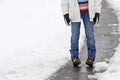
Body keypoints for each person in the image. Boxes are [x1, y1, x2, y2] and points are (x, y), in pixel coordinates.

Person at [61, 0, 102, 67]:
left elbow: (97, 1)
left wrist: (97, 12)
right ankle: (74, 57)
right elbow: (64, 2)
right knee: (74, 36)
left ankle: (91, 57)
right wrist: (65, 14)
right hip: (74, 12)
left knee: (90, 35)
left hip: (88, 12)